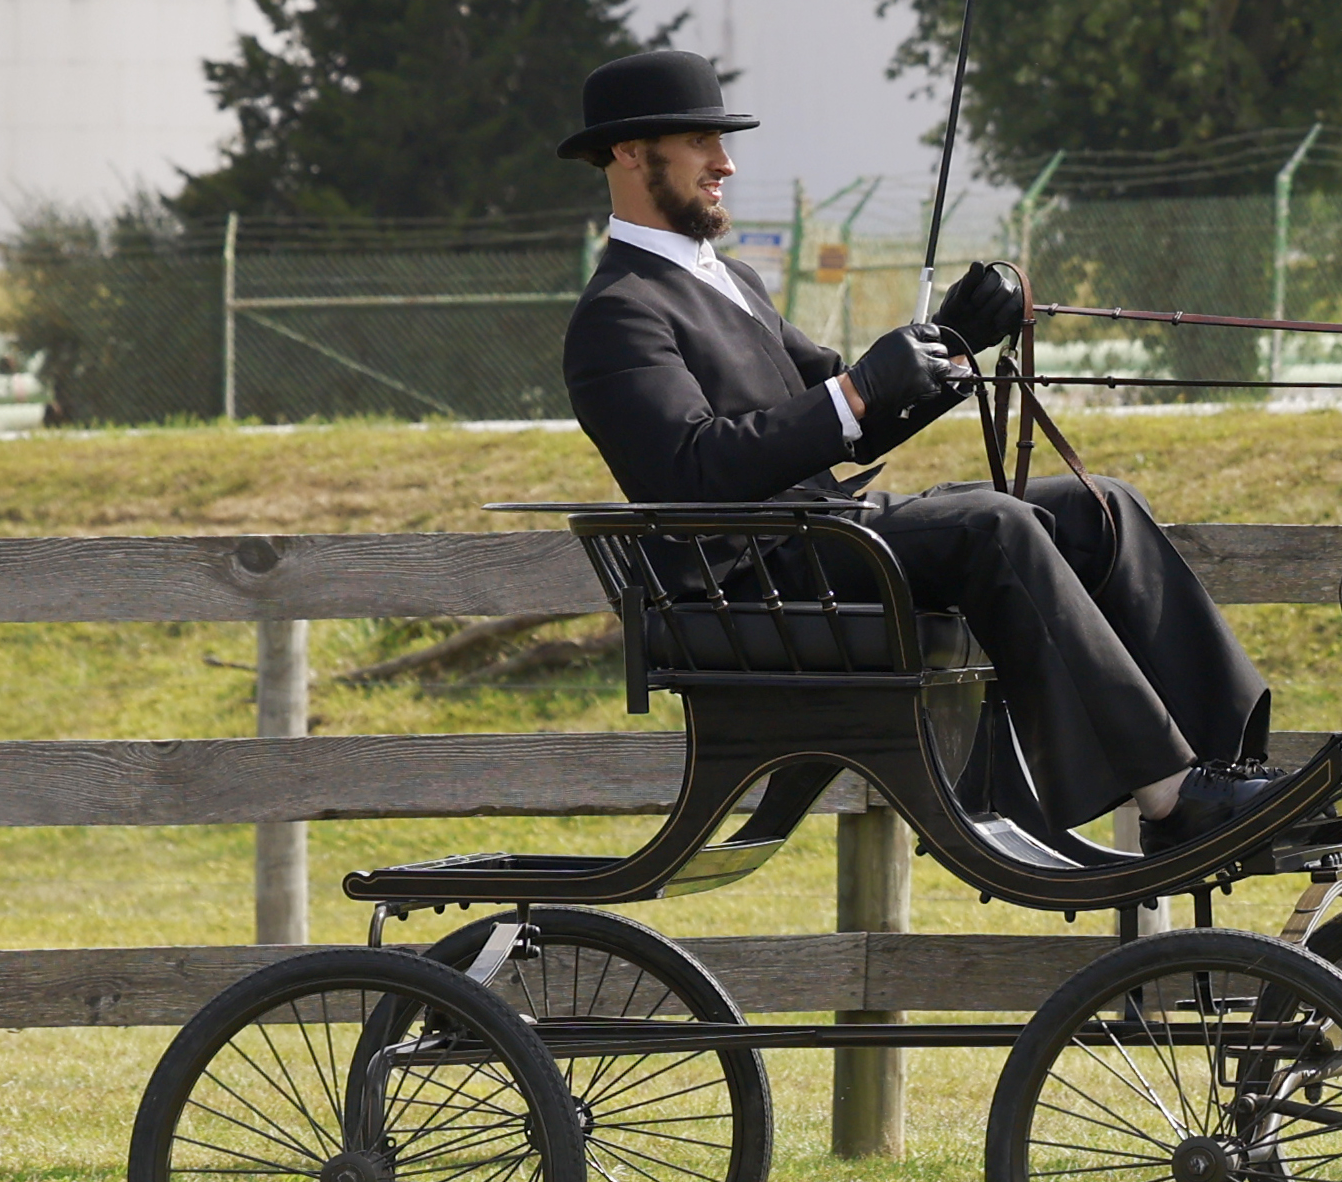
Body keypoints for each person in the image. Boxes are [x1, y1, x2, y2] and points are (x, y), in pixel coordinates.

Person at [553, 47, 1295, 853]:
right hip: (755, 575)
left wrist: (951, 344)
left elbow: (844, 407)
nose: (725, 162)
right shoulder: (617, 312)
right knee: (991, 522)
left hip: (821, 539)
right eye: (701, 142)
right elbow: (691, 471)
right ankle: (1170, 797)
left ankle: (1229, 765)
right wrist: (859, 389)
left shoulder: (732, 282)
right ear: (630, 152)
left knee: (1095, 503)